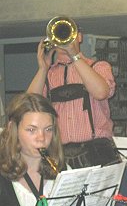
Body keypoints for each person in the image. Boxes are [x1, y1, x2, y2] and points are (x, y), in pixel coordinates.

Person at [27, 19, 121, 169]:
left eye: (68, 34)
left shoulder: (99, 66)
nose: (64, 40)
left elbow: (101, 92)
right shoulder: (48, 75)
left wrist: (75, 56)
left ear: (79, 37)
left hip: (97, 150)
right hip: (60, 153)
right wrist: (42, 69)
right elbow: (29, 107)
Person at [0, 93, 66, 206]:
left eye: (48, 129)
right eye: (31, 130)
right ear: (12, 128)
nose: (41, 138)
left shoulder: (64, 172)